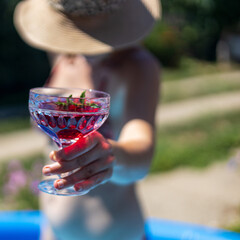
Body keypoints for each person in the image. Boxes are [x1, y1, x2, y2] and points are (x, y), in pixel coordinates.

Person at [14, 0, 161, 239]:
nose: (83, 37)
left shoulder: (137, 66)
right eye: (75, 25)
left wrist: (110, 154)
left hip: (115, 233)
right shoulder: (63, 54)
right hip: (53, 231)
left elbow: (141, 151)